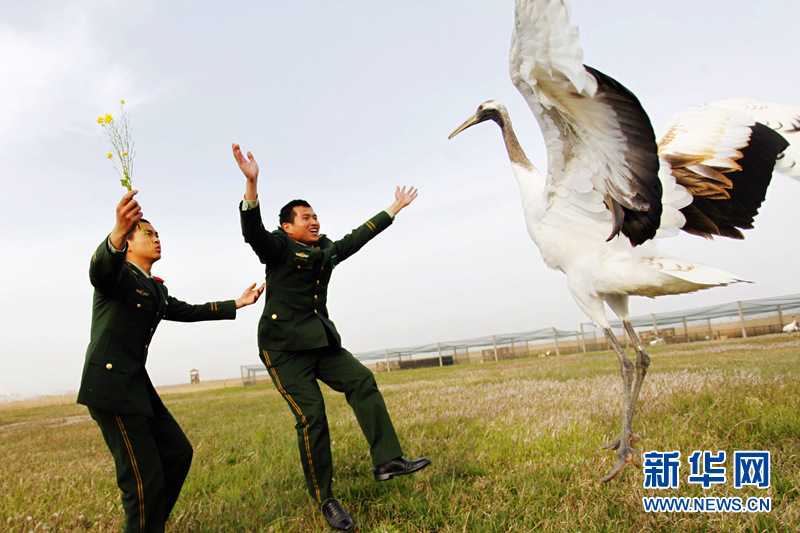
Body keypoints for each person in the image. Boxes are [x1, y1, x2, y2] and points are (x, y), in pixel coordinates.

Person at [233, 143, 430, 531]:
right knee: (313, 418)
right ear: (288, 227)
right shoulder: (278, 248)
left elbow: (356, 239)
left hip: (321, 343)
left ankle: (388, 460)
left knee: (362, 380)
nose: (314, 221)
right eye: (305, 217)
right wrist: (252, 185)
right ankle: (326, 499)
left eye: (315, 216)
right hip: (284, 349)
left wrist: (394, 208)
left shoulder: (325, 252)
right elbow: (253, 233)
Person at [77, 189, 265, 533]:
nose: (156, 238)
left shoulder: (155, 288)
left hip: (136, 383)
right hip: (110, 386)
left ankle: (149, 523)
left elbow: (188, 311)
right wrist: (117, 231)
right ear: (128, 244)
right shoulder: (117, 276)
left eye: (158, 234)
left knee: (178, 452)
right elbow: (99, 270)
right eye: (147, 233)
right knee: (142, 478)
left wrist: (237, 303)